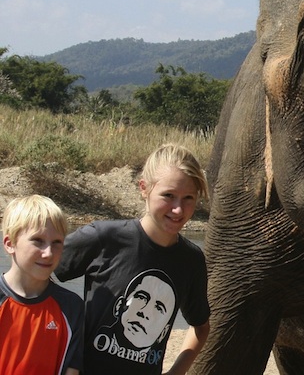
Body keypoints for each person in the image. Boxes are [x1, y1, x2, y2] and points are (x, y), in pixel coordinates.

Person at [55, 143, 211, 375]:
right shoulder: (103, 237)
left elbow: (200, 328)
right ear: (144, 188)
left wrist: (176, 371)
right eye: (168, 195)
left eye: (188, 198)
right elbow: (37, 273)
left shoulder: (191, 259)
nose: (178, 209)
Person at [1, 195, 84, 375]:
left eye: (57, 243)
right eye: (38, 241)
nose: (48, 253)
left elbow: (72, 370)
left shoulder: (71, 307)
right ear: (10, 244)